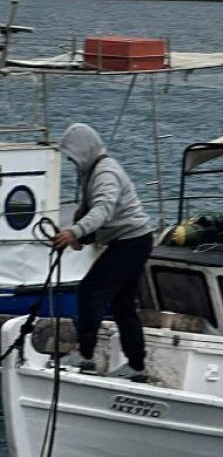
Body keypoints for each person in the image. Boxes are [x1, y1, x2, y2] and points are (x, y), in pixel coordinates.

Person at [52, 123, 154, 382]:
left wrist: (74, 231)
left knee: (90, 291)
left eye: (73, 156)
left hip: (131, 242)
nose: (72, 162)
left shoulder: (106, 172)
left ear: (84, 150)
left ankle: (85, 356)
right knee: (122, 303)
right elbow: (88, 209)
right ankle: (137, 367)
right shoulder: (92, 171)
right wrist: (82, 236)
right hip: (135, 240)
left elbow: (102, 210)